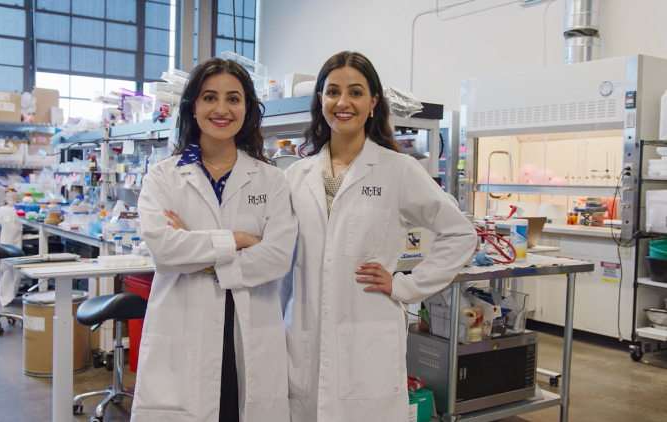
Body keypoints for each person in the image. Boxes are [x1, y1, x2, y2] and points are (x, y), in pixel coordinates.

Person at [283, 51, 477, 422]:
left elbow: (460, 233)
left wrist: (407, 285)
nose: (343, 102)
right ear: (320, 100)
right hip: (304, 335)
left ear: (372, 102)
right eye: (333, 92)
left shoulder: (398, 170)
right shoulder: (296, 175)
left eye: (355, 92)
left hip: (367, 337)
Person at [132, 58, 297, 422]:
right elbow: (164, 250)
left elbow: (277, 257)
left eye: (233, 99)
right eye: (210, 97)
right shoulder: (163, 178)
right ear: (193, 106)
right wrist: (237, 239)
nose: (222, 109)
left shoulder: (271, 181)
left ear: (248, 109)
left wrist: (198, 252)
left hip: (250, 331)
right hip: (183, 328)